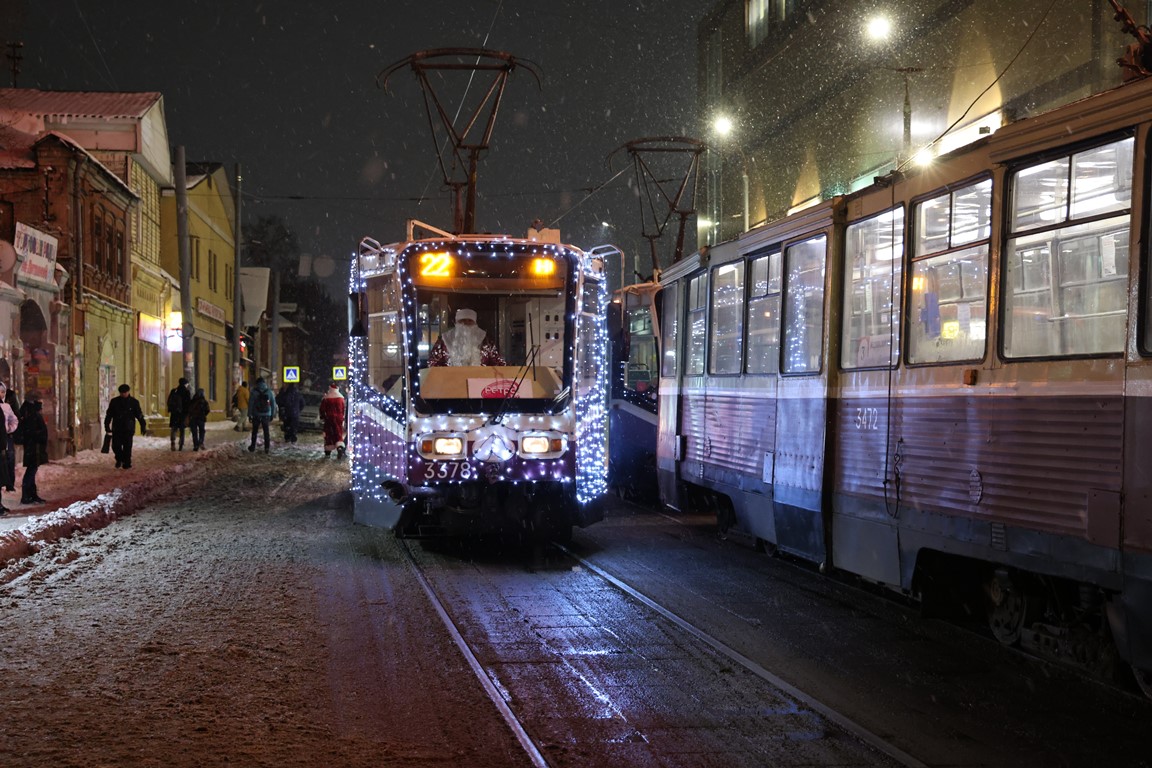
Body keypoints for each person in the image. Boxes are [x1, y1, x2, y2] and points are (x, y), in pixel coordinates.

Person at [428, 308, 505, 367]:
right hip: (450, 383)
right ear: (457, 323)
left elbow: (498, 364)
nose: (466, 323)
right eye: (463, 320)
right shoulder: (445, 340)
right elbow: (432, 364)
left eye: (470, 321)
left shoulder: (486, 340)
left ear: (475, 323)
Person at [104, 384, 148, 469]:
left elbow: (139, 415)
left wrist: (143, 425)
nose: (123, 394)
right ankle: (119, 459)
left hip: (128, 428)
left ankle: (127, 463)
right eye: (122, 393)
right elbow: (109, 415)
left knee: (127, 447)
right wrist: (107, 426)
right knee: (116, 446)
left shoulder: (134, 402)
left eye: (125, 392)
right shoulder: (114, 402)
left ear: (128, 392)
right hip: (117, 428)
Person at [17, 390, 47, 505]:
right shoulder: (29, 411)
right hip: (32, 445)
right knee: (31, 469)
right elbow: (31, 429)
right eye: (39, 399)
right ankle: (26, 496)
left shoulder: (31, 410)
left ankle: (32, 495)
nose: (41, 402)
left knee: (33, 469)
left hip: (34, 444)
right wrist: (39, 435)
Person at [247, 376, 277, 453]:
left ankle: (253, 446)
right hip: (266, 414)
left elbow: (250, 404)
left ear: (257, 383)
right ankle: (267, 447)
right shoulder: (269, 391)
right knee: (266, 431)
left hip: (256, 414)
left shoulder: (254, 392)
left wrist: (249, 414)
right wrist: (272, 414)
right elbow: (273, 404)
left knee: (255, 431)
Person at [319, 382, 346, 458]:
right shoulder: (341, 398)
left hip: (329, 419)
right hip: (338, 419)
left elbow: (322, 409)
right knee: (338, 434)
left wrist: (323, 417)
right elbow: (343, 409)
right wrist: (342, 418)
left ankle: (328, 451)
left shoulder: (326, 398)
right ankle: (339, 448)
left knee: (329, 435)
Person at [1, 381, 17, 492]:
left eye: (3, 392)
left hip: (4, 439)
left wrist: (8, 429)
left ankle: (9, 483)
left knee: (9, 460)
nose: (2, 394)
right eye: (1, 392)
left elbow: (14, 419)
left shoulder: (6, 407)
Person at [166, 377, 191, 451]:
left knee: (174, 428)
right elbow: (188, 403)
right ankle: (181, 444)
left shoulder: (174, 391)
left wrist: (172, 409)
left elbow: (169, 401)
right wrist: (187, 413)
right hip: (183, 413)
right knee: (182, 429)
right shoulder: (186, 392)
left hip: (174, 413)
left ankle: (172, 443)